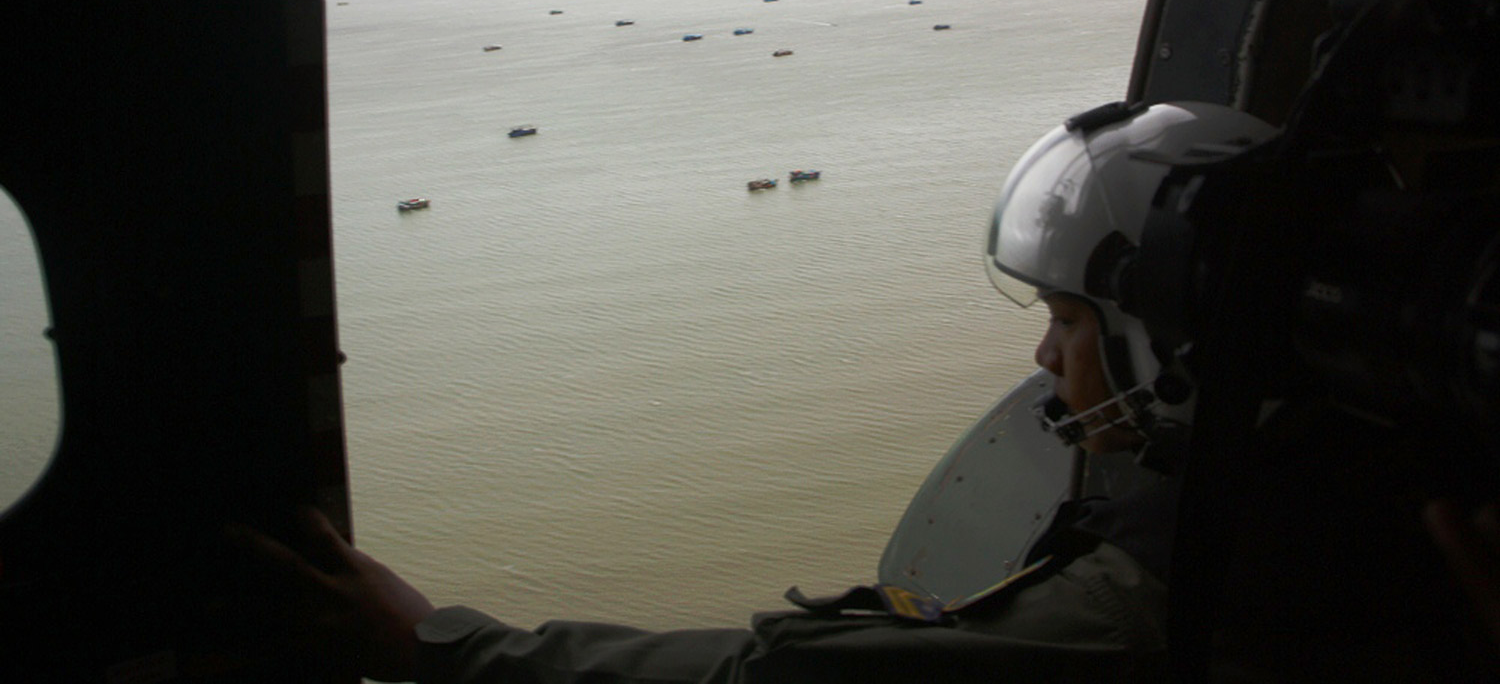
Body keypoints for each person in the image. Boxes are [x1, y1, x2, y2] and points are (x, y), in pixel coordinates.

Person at [231, 100, 1277, 684]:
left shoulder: (1142, 609)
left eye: (1067, 319)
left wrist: (436, 642)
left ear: (1169, 347)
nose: (1047, 361)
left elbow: (767, 682)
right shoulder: (1315, 489)